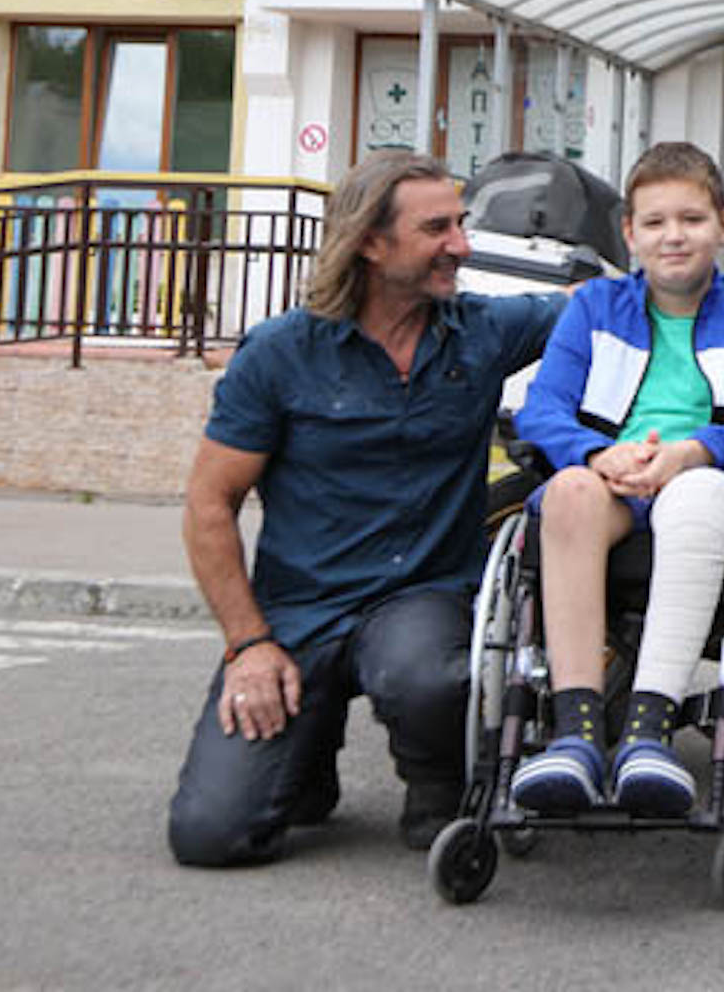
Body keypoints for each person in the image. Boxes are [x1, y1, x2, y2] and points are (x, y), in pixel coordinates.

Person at [168, 151, 565, 866]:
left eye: (460, 224)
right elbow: (209, 503)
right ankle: (305, 756)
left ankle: (438, 787)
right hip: (300, 613)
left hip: (422, 600)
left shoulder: (483, 331)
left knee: (427, 673)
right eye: (437, 229)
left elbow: (607, 305)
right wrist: (247, 645)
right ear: (371, 243)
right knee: (212, 835)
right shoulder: (279, 353)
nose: (461, 245)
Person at [507, 142, 724, 817]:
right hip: (614, 479)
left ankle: (648, 730)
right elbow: (542, 408)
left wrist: (694, 451)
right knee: (568, 492)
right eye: (655, 221)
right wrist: (595, 454)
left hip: (717, 480)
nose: (674, 235)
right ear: (630, 233)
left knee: (693, 496)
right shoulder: (594, 306)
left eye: (692, 219)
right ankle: (576, 734)